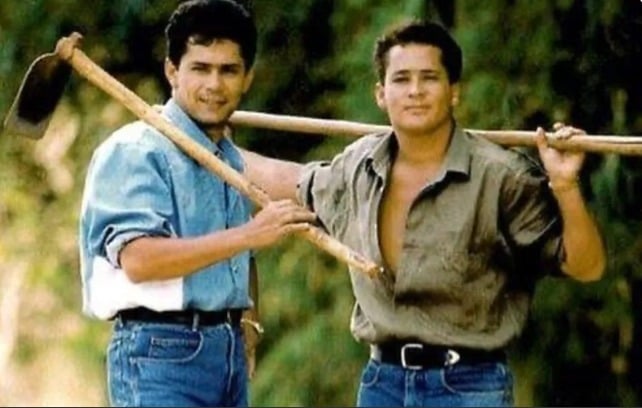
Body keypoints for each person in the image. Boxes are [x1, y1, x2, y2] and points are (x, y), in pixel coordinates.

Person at [240, 19, 606, 407]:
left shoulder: (502, 177)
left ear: (454, 92)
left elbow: (586, 266)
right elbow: (292, 180)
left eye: (429, 77)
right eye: (401, 79)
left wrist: (565, 185)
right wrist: (208, 141)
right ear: (381, 94)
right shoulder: (359, 166)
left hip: (470, 387)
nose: (415, 91)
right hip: (382, 385)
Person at [78, 1, 316, 406]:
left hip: (225, 350)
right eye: (200, 68)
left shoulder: (227, 157)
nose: (214, 85)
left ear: (248, 77)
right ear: (172, 71)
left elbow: (239, 258)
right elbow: (140, 260)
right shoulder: (137, 150)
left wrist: (248, 323)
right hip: (160, 353)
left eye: (228, 71)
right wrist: (250, 234)